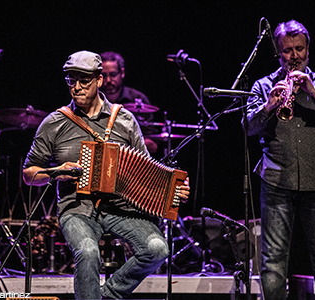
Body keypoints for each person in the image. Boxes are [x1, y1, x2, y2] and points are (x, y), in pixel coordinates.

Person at [23, 50, 190, 299]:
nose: (76, 87)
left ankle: (106, 297)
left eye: (84, 80)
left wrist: (172, 189)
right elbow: (29, 173)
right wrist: (56, 172)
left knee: (157, 250)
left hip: (120, 209)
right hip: (76, 208)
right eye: (71, 80)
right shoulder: (55, 122)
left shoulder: (124, 120)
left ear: (99, 80)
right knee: (89, 251)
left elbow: (146, 168)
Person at [245, 20, 315, 299]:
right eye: (287, 51)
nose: (294, 57)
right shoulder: (263, 85)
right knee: (273, 263)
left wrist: (314, 93)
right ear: (279, 53)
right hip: (276, 180)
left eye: (299, 49)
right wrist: (269, 105)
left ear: (308, 49)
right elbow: (248, 127)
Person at [100, 51, 158, 154]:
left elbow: (151, 138)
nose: (108, 80)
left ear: (122, 73)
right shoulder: (93, 100)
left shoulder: (137, 98)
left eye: (113, 75)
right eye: (104, 75)